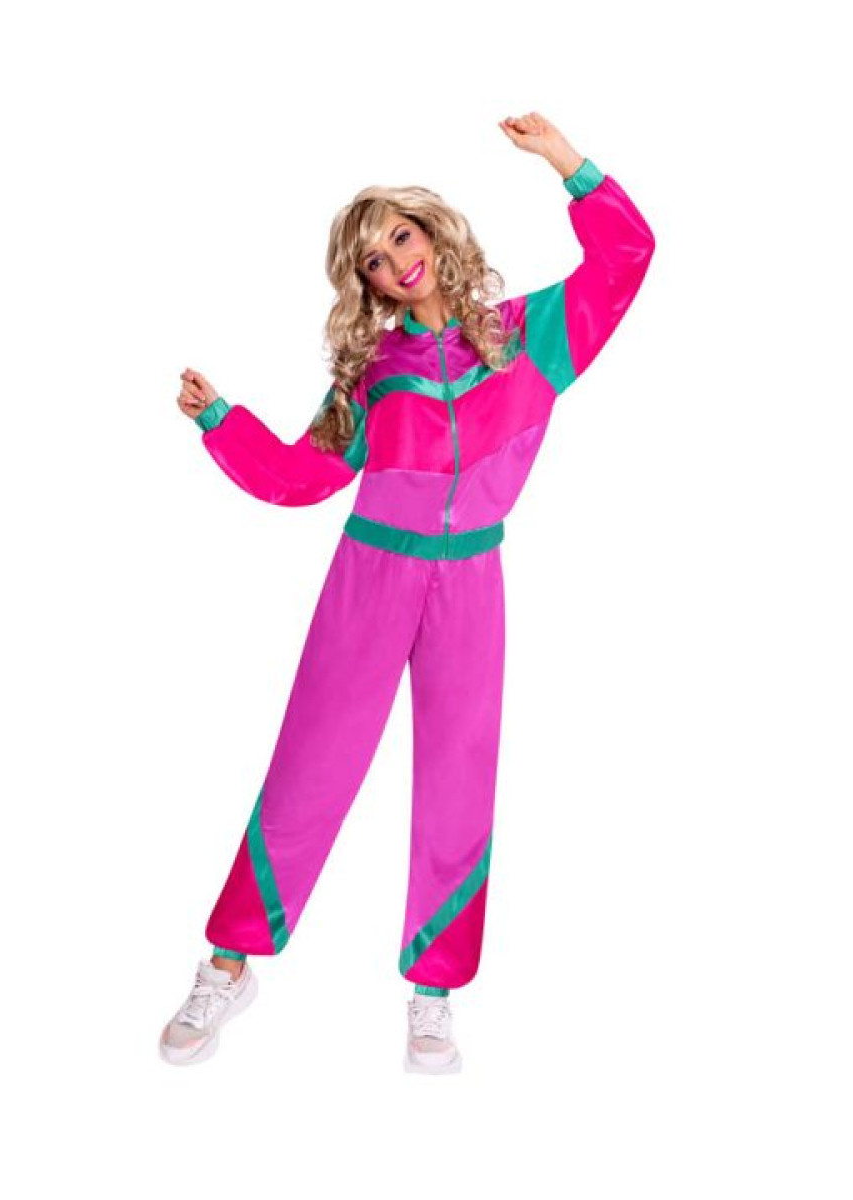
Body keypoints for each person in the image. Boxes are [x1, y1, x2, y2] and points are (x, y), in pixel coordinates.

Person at [160, 112, 656, 1072]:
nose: (397, 260)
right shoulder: (374, 374)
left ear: (433, 231)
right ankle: (229, 963)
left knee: (459, 779)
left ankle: (435, 992)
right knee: (311, 763)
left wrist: (565, 161)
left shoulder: (530, 336)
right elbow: (300, 477)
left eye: (401, 235)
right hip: (371, 572)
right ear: (369, 285)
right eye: (376, 258)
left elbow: (628, 255)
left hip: (472, 578)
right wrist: (220, 419)